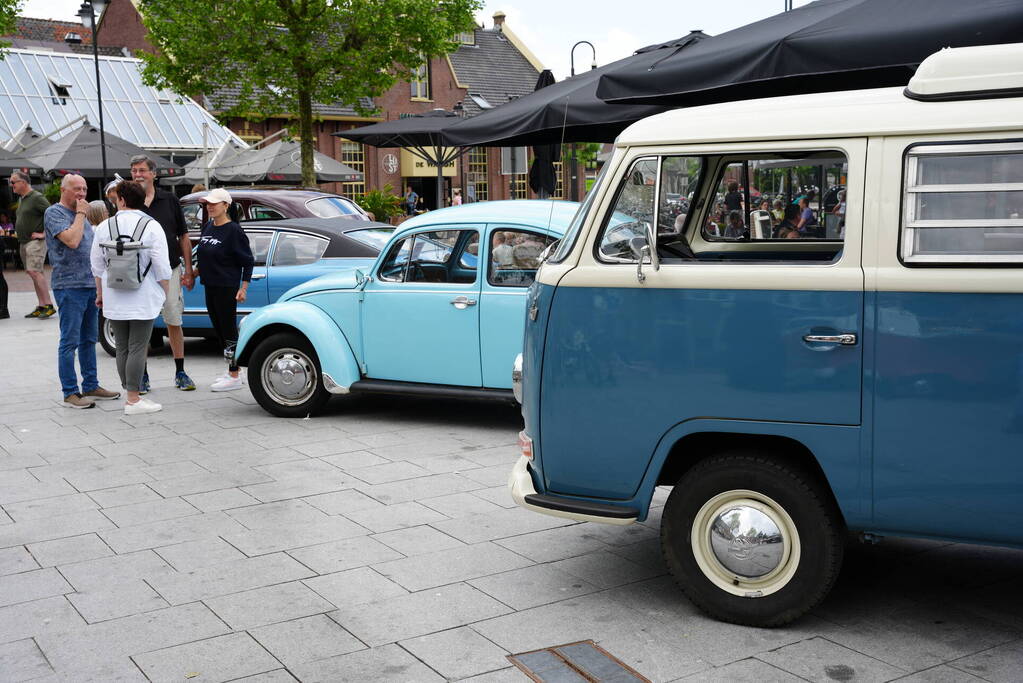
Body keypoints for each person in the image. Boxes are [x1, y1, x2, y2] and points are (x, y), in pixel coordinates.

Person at [91, 181, 171, 415]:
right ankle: (134, 399)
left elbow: (96, 265)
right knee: (138, 347)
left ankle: (130, 394)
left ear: (122, 200)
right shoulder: (151, 226)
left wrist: (100, 294)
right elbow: (162, 268)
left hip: (114, 296)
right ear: (142, 200)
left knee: (123, 347)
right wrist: (166, 294)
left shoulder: (105, 226)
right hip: (143, 296)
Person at [43, 174, 120, 409]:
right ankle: (70, 392)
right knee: (70, 341)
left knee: (89, 339)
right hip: (68, 286)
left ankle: (91, 385)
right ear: (63, 190)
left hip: (88, 284)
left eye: (85, 189)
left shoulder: (82, 214)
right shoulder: (55, 213)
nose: (82, 194)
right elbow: (72, 241)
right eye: (77, 189)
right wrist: (80, 214)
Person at [130, 154, 196, 391]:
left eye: (142, 170)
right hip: (140, 275)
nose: (138, 175)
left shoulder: (169, 200)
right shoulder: (127, 201)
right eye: (134, 171)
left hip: (170, 270)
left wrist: (189, 269)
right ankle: (143, 375)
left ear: (153, 174)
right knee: (142, 323)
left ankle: (180, 372)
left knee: (173, 320)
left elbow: (184, 236)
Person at [194, 188, 253, 392]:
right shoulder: (208, 226)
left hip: (227, 286)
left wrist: (243, 288)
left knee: (228, 330)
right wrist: (192, 274)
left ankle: (235, 374)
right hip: (210, 285)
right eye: (207, 204)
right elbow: (203, 257)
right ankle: (232, 369)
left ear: (225, 206)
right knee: (218, 329)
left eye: (214, 203)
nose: (209, 207)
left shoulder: (234, 231)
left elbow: (248, 261)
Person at [10, 171, 55, 319]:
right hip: (25, 242)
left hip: (36, 242)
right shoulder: (23, 199)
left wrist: (44, 234)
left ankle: (48, 305)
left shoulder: (36, 197)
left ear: (23, 182)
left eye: (13, 182)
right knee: (33, 272)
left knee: (35, 271)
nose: (12, 185)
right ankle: (41, 305)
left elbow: (52, 214)